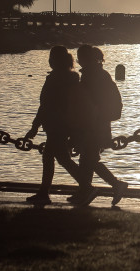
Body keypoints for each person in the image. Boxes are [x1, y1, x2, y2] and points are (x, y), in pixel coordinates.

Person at [70, 44, 129, 207]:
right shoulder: (99, 74)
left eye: (81, 57)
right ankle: (84, 191)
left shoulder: (91, 76)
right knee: (88, 158)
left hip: (93, 125)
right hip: (99, 123)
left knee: (89, 159)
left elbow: (88, 104)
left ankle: (115, 184)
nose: (79, 60)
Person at [25, 46, 82, 206]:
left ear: (54, 60)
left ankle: (85, 186)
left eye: (51, 58)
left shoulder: (54, 79)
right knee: (59, 158)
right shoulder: (72, 78)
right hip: (65, 124)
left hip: (55, 124)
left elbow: (45, 105)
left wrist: (35, 127)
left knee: (55, 158)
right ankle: (45, 192)